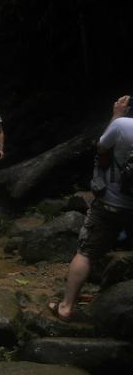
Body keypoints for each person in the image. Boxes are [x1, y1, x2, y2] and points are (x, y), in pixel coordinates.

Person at [50, 95, 133, 321]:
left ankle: (66, 307)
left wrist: (116, 115)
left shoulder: (123, 125)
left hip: (111, 204)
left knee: (85, 254)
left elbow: (101, 147)